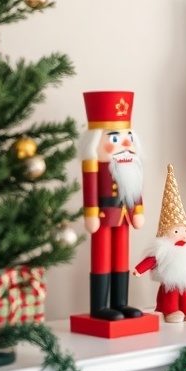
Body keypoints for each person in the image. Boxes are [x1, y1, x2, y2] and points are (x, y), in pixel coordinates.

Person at [79, 90, 144, 320]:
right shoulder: (94, 166)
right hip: (104, 215)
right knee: (102, 256)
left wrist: (138, 209)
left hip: (124, 215)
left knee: (121, 257)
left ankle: (120, 303)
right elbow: (90, 190)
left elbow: (135, 189)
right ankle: (99, 307)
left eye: (127, 137)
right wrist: (91, 214)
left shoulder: (132, 165)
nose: (124, 143)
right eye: (115, 138)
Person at [133, 163, 186, 322]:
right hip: (170, 280)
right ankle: (171, 311)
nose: (182, 235)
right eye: (177, 232)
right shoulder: (163, 248)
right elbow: (152, 260)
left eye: (185, 231)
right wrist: (139, 270)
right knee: (171, 293)